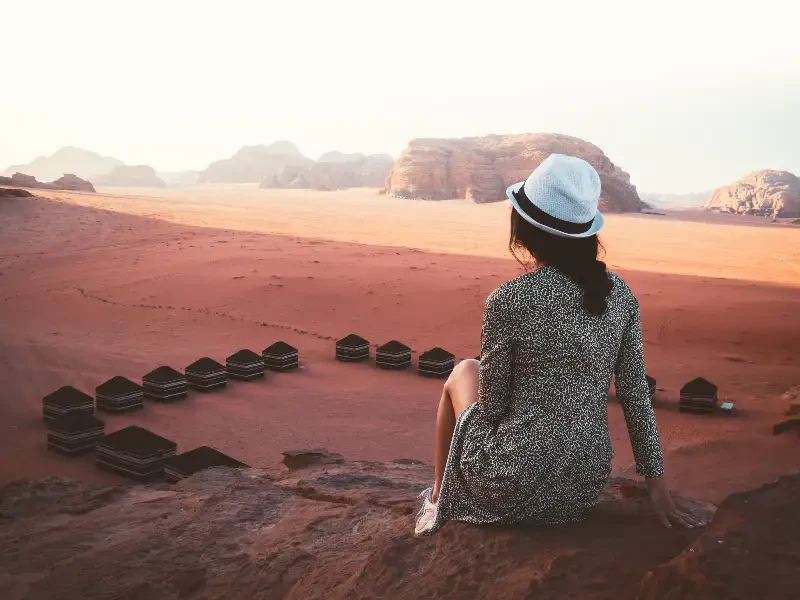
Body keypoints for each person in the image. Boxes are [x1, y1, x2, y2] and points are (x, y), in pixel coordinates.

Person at [415, 153, 705, 536]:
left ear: (525, 230)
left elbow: (492, 407)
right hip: (580, 487)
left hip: (509, 484)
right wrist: (658, 490)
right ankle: (445, 494)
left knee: (465, 370)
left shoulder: (510, 298)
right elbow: (636, 396)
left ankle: (439, 498)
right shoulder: (621, 296)